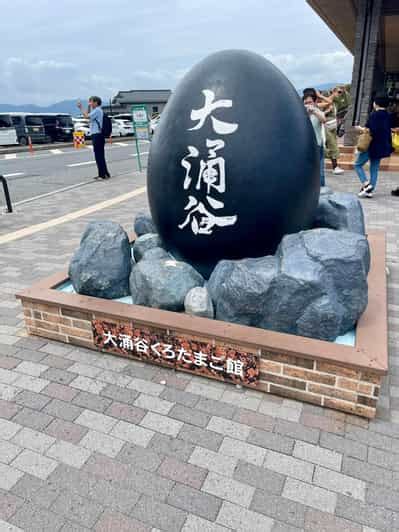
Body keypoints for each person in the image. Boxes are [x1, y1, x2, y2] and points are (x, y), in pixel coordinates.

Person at [355, 96, 393, 198]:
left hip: (371, 145)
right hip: (381, 146)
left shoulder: (374, 115)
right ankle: (369, 191)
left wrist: (359, 128)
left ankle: (366, 184)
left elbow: (368, 130)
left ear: (376, 103)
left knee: (357, 165)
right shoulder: (388, 116)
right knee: (374, 169)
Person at [77, 96, 110, 179]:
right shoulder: (97, 111)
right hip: (98, 135)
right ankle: (105, 173)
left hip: (97, 135)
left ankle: (102, 175)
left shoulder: (97, 110)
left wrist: (81, 108)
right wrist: (88, 107)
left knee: (98, 156)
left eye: (91, 102)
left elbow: (86, 117)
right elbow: (88, 116)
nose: (90, 103)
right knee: (100, 155)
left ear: (96, 102)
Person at [316, 89, 344, 174]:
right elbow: (321, 113)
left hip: (332, 128)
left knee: (333, 146)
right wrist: (327, 111)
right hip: (327, 127)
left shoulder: (334, 103)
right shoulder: (325, 103)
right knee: (332, 146)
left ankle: (335, 166)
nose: (339, 94)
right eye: (337, 92)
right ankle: (335, 167)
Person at [303, 90, 327, 186]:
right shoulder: (301, 113)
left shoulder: (318, 112)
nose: (308, 105)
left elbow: (323, 119)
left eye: (310, 102)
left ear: (315, 101)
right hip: (305, 147)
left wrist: (314, 112)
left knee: (320, 171)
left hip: (317, 145)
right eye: (305, 103)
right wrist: (307, 114)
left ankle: (321, 190)